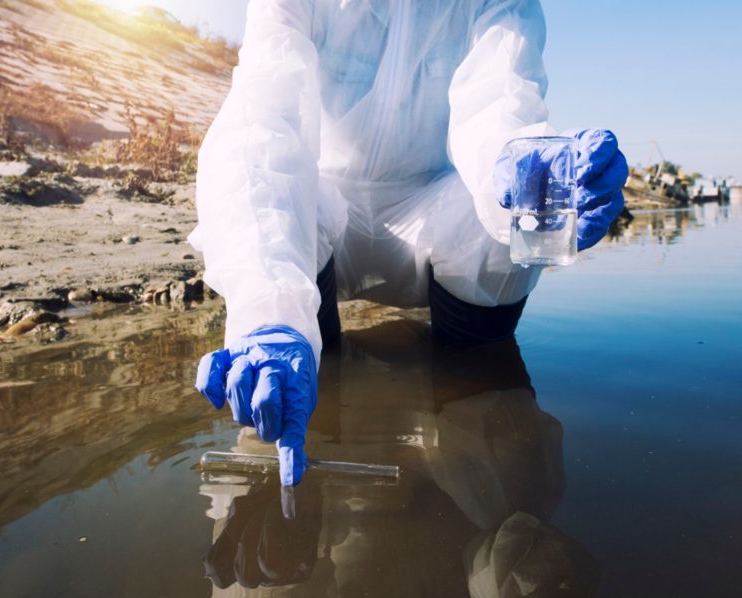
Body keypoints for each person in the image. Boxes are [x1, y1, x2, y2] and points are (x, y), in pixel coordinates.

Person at [190, 0, 628, 486]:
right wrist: (265, 310)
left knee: (512, 210)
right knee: (267, 193)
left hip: (435, 207)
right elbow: (266, 116)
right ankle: (292, 346)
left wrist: (531, 173)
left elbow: (499, 103)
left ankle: (479, 423)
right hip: (326, 203)